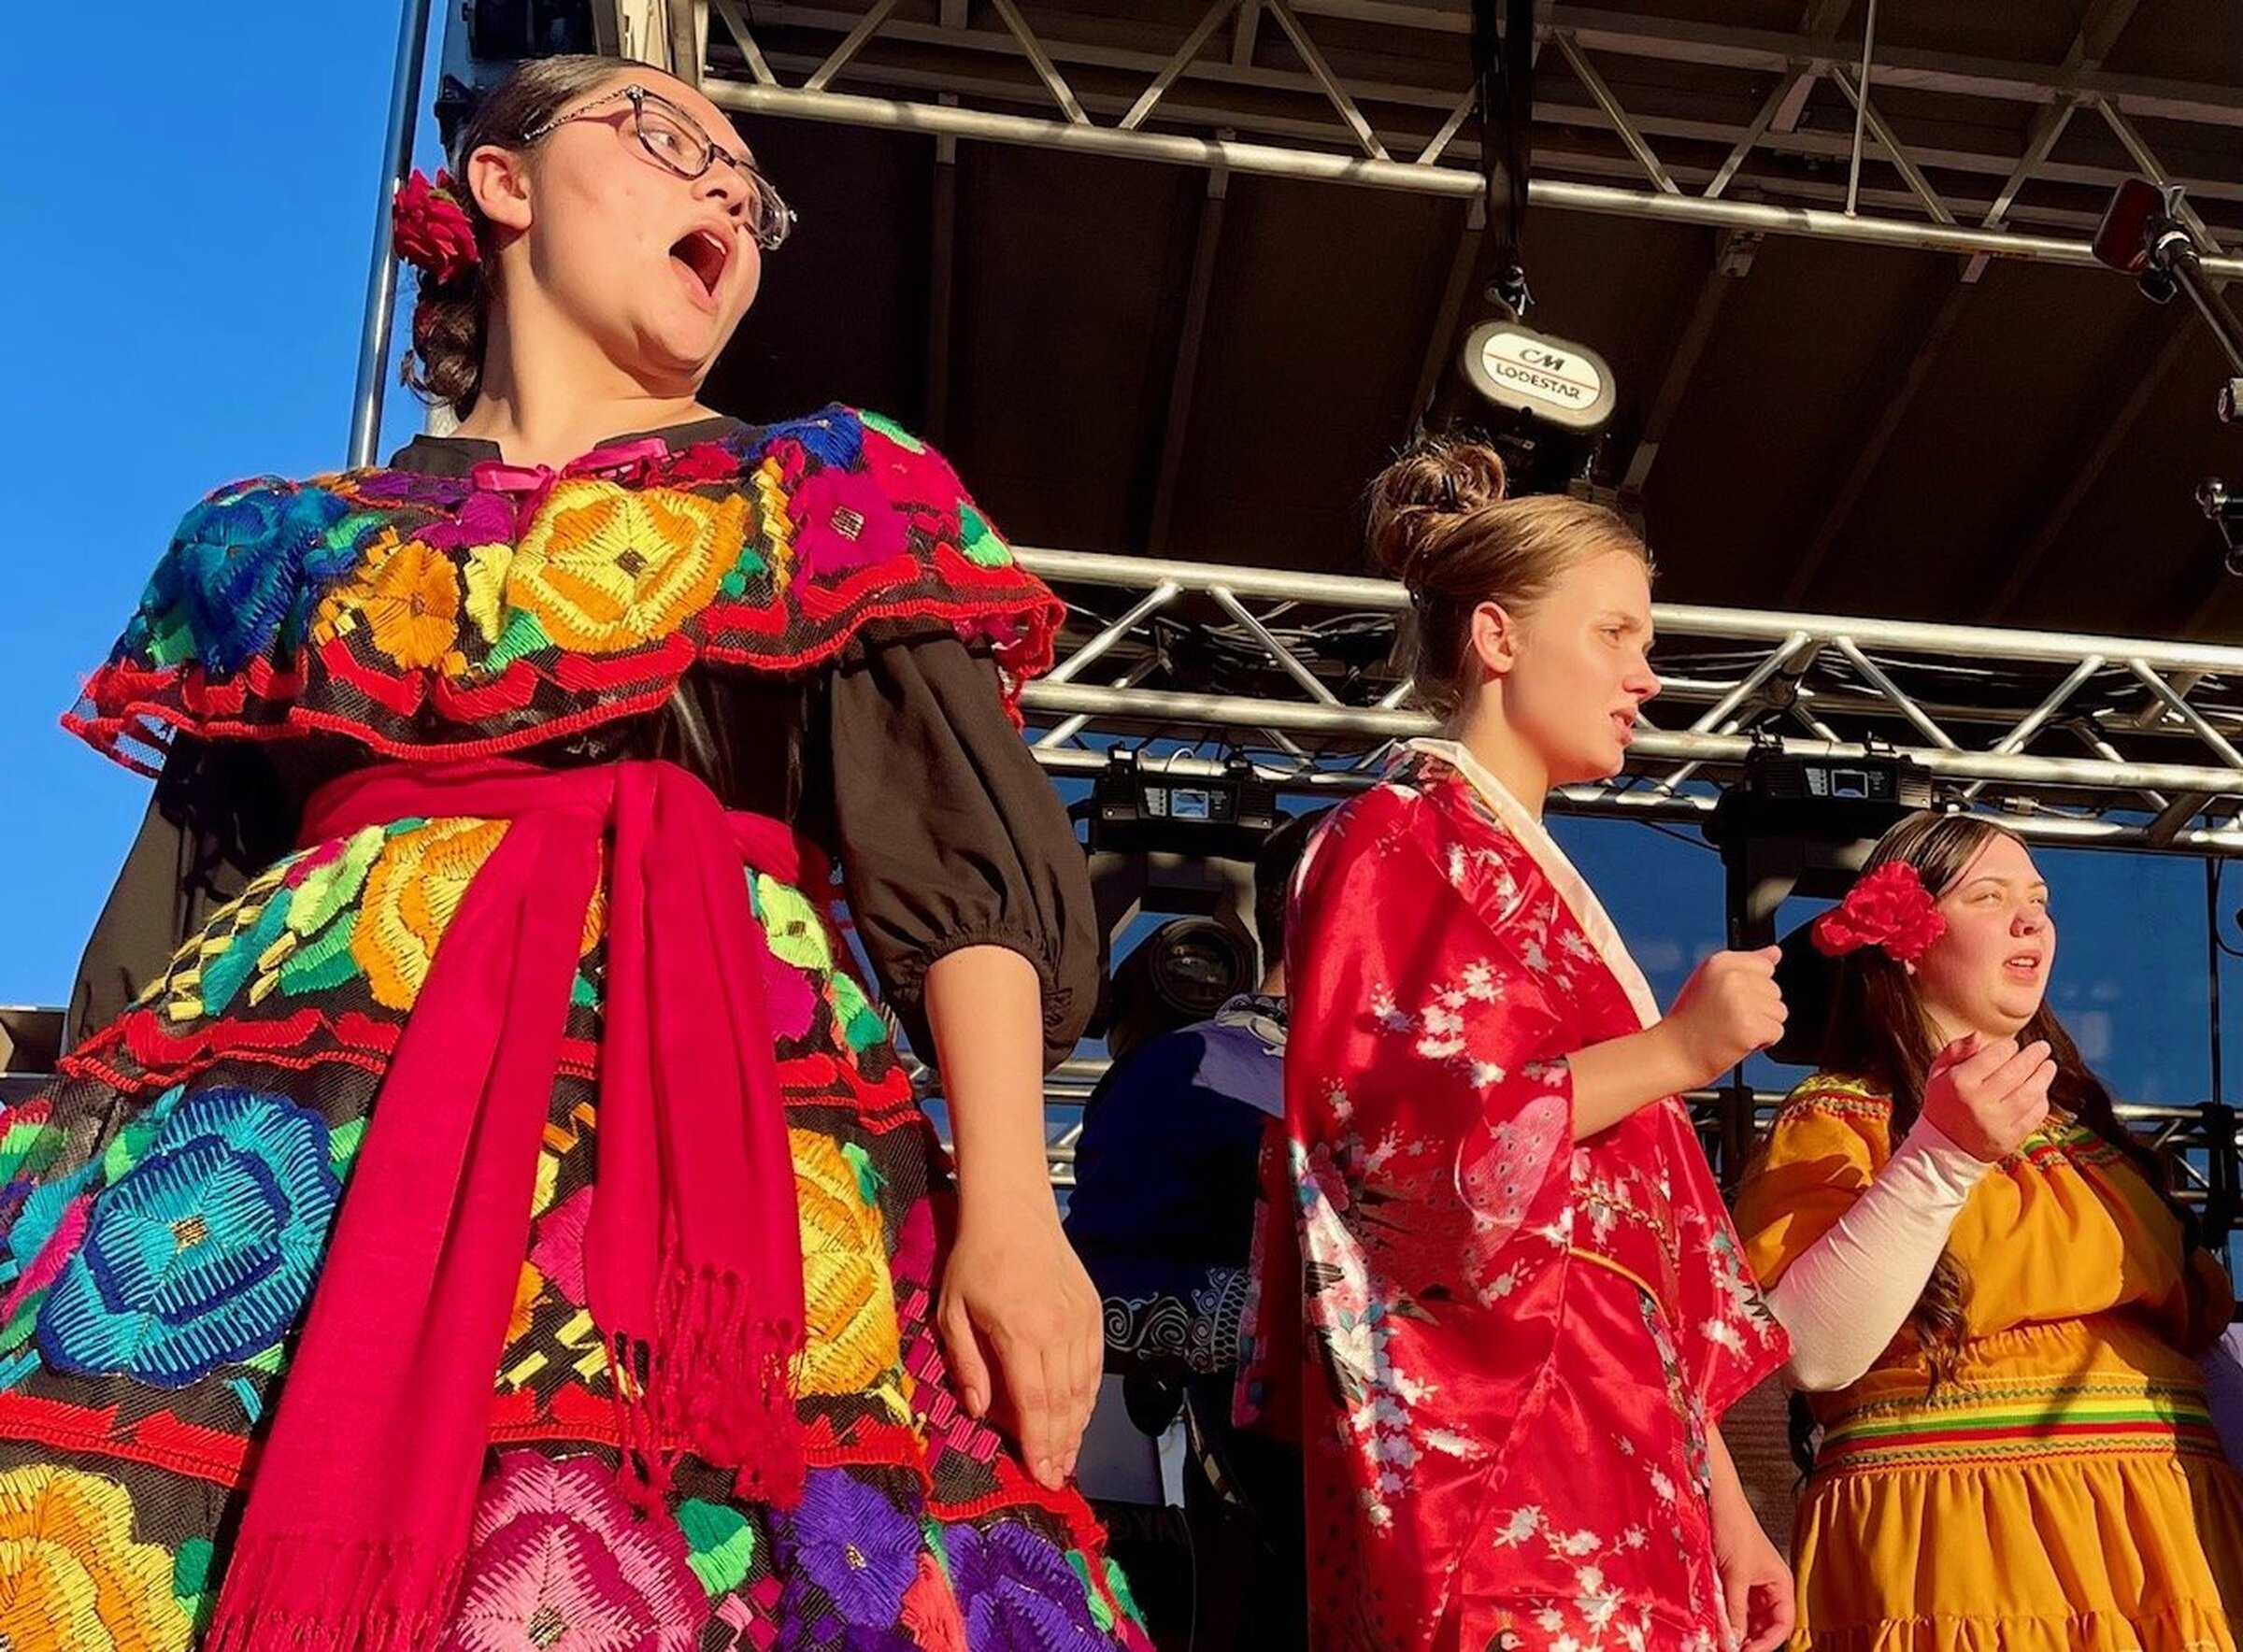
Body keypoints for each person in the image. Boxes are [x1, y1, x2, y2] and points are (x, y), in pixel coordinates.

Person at [0, 55, 1150, 1652]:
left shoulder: (820, 493)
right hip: (300, 1173)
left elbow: (956, 866)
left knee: (719, 1540)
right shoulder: (279, 541)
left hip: (733, 1139)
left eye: (755, 193)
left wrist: (1019, 1212)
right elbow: (165, 934)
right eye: (674, 142)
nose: (728, 198)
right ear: (503, 181)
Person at [1240, 437, 1793, 1652]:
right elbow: (1387, 1151)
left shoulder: (1526, 880)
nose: (1647, 675)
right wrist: (1672, 1053)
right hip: (1499, 1457)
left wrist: (1730, 1502)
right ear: (1496, 638)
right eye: (1616, 635)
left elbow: (1639, 1248)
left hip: (1624, 1439)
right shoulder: (1394, 840)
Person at [1736, 812, 2243, 1650]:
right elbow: (1811, 1352)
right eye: (1989, 896)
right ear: (1906, 938)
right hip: (1965, 1534)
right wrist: (1940, 1159)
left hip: (2168, 1533)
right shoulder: (1839, 1119)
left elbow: (2197, 1348)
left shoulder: (2094, 1142)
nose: (2030, 918)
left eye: (2039, 899)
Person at [1066, 810, 1325, 1652]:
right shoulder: (1197, 1067)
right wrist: (1275, 1319)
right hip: (1276, 1551)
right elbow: (1085, 1299)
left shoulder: (1472, 1096)